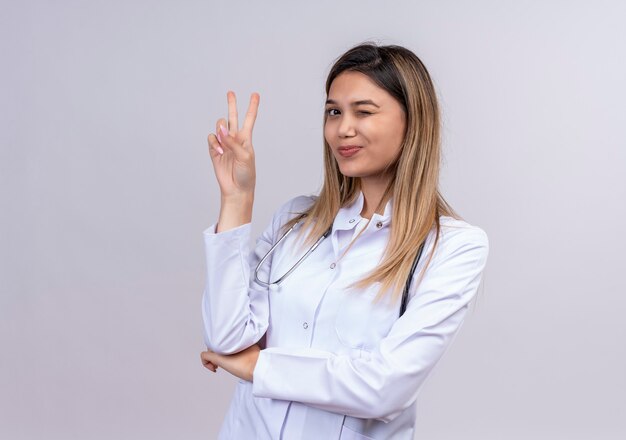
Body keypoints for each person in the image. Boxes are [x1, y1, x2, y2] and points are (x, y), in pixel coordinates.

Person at [200, 42, 489, 440]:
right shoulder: (294, 221)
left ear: (413, 122)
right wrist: (236, 200)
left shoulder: (453, 247)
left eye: (363, 111)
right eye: (333, 111)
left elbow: (384, 388)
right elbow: (226, 337)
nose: (342, 128)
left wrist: (257, 368)